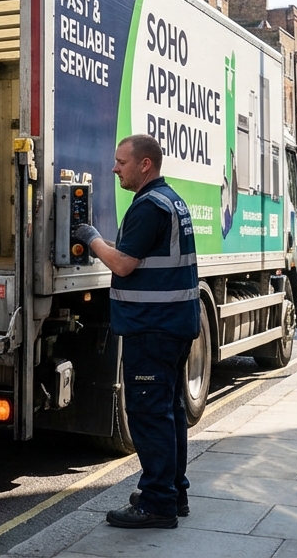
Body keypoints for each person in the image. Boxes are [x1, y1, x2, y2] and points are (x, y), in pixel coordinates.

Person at [73, 134, 199, 530]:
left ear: (145, 164)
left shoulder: (149, 207)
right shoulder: (170, 201)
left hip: (153, 326)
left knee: (148, 414)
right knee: (170, 411)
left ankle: (157, 503)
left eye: (121, 162)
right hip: (172, 325)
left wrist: (90, 238)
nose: (115, 168)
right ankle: (172, 492)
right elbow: (139, 258)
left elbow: (124, 265)